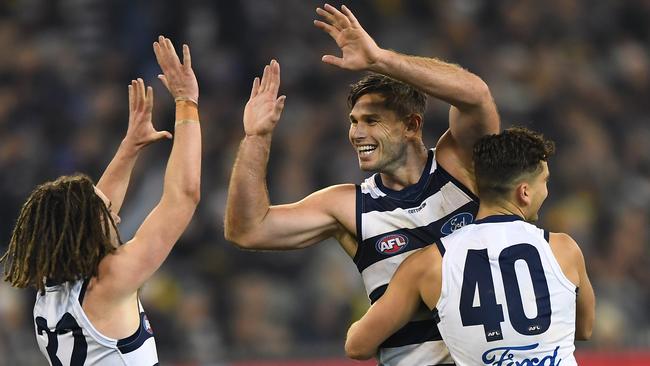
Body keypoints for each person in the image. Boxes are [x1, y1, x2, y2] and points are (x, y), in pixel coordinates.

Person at [225, 4, 499, 365]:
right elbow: (248, 230)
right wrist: (256, 138)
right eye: (354, 121)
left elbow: (476, 94)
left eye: (372, 121)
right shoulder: (349, 206)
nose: (357, 133)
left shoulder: (458, 165)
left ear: (412, 126)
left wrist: (379, 59)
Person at [0, 36, 201, 365]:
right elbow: (184, 196)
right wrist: (186, 103)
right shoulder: (112, 282)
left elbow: (90, 209)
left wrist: (130, 146)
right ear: (86, 231)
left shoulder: (48, 291)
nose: (116, 217)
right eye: (106, 214)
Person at [344, 128, 596, 366]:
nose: (547, 191)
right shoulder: (563, 249)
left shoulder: (429, 264)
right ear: (524, 192)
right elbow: (584, 328)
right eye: (545, 182)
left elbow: (358, 346)